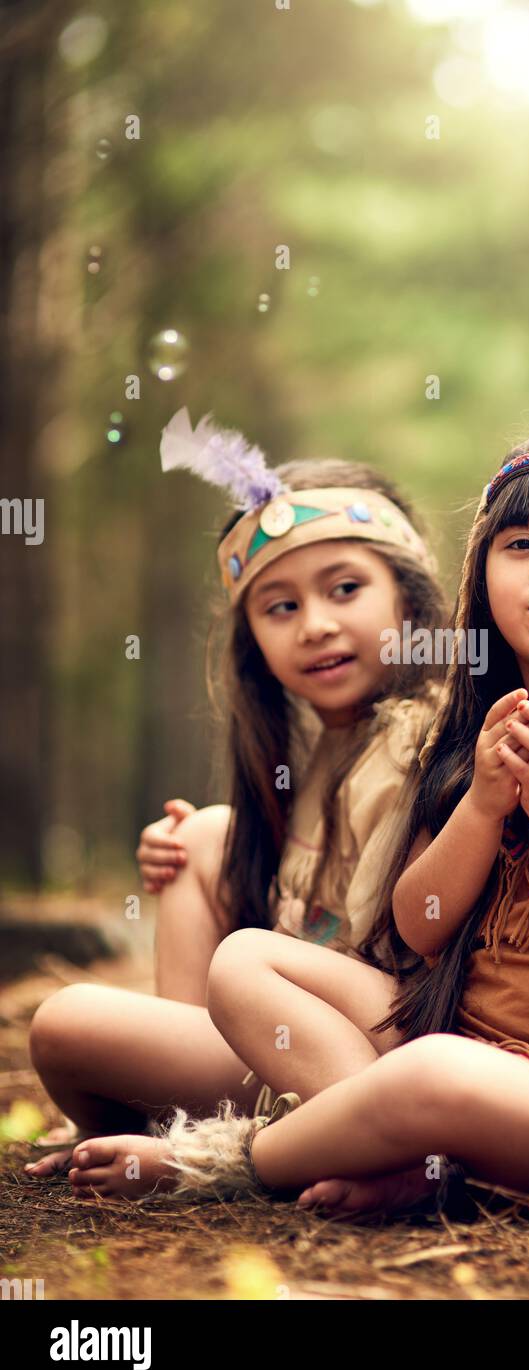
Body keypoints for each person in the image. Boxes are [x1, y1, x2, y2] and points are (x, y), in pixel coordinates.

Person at [48, 424, 529, 1220]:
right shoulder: (482, 737)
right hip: (459, 1038)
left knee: (431, 1076)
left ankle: (224, 1160)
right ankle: (411, 1163)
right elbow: (420, 924)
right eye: (520, 544)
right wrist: (481, 801)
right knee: (246, 961)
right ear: (479, 577)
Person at [24, 409, 446, 1196]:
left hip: (372, 1046)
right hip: (284, 1020)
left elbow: (389, 939)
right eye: (280, 607)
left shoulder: (421, 736)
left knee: (64, 1023)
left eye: (345, 589)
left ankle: (229, 1144)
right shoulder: (323, 748)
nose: (315, 626)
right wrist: (198, 860)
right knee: (208, 836)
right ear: (252, 638)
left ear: (410, 603)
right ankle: (173, 1116)